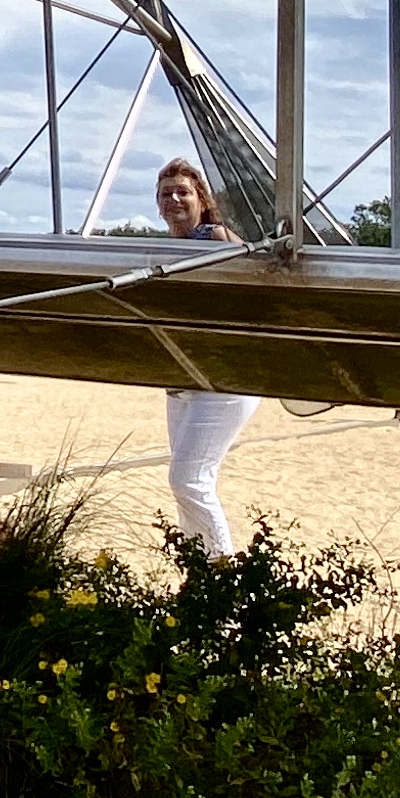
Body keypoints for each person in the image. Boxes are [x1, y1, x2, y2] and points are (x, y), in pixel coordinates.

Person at [150, 156, 256, 554]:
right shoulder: (167, 251)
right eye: (166, 193)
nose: (174, 199)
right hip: (183, 382)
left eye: (183, 192)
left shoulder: (215, 238)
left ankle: (222, 571)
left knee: (187, 479)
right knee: (190, 486)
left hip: (225, 377)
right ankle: (199, 573)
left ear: (201, 199)